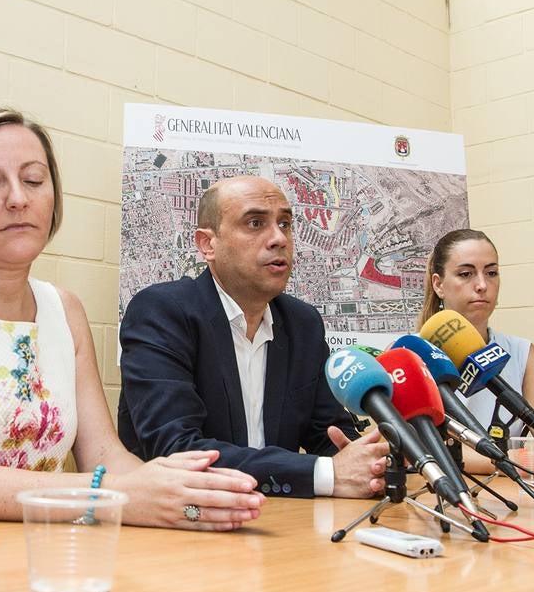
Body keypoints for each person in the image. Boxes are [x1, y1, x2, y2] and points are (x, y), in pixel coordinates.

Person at [0, 109, 265, 529]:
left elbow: (104, 456)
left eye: (34, 180)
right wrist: (114, 496)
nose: (18, 198)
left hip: (34, 553)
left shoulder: (64, 309)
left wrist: (180, 484)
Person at [117, 175, 389, 499]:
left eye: (285, 223)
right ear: (208, 244)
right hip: (182, 524)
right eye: (256, 223)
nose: (279, 238)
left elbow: (330, 435)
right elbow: (177, 451)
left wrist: (367, 463)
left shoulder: (303, 324)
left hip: (280, 524)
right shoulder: (162, 312)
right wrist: (326, 473)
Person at [418, 228, 534, 480]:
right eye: (466, 274)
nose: (481, 285)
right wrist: (515, 460)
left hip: (510, 497)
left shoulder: (522, 352)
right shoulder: (411, 354)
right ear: (438, 284)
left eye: (491, 273)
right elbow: (412, 450)